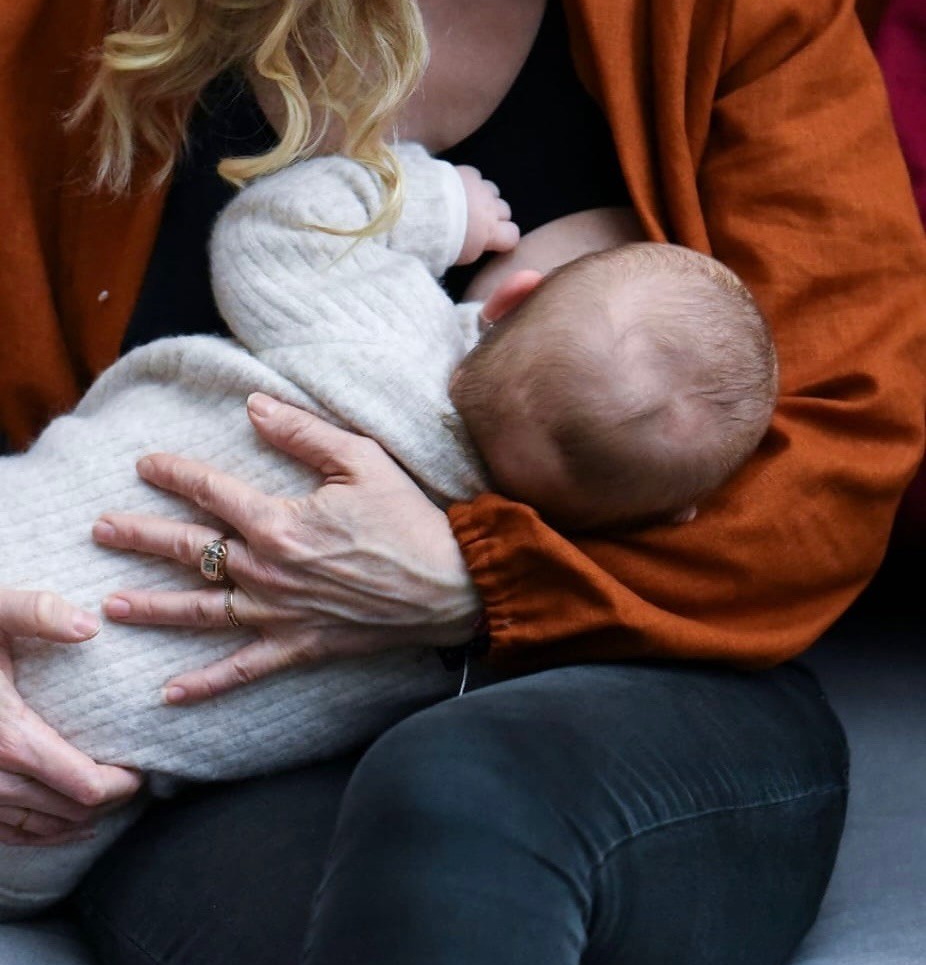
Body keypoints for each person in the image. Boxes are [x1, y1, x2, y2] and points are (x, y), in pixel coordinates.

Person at [0, 0, 923, 965]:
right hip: (224, 760)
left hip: (640, 698)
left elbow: (842, 445)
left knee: (450, 782)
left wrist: (475, 580)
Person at [1, 137, 777, 917]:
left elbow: (271, 227)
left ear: (508, 300)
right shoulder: (458, 641)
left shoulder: (384, 330)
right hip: (47, 816)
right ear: (674, 517)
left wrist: (438, 203)